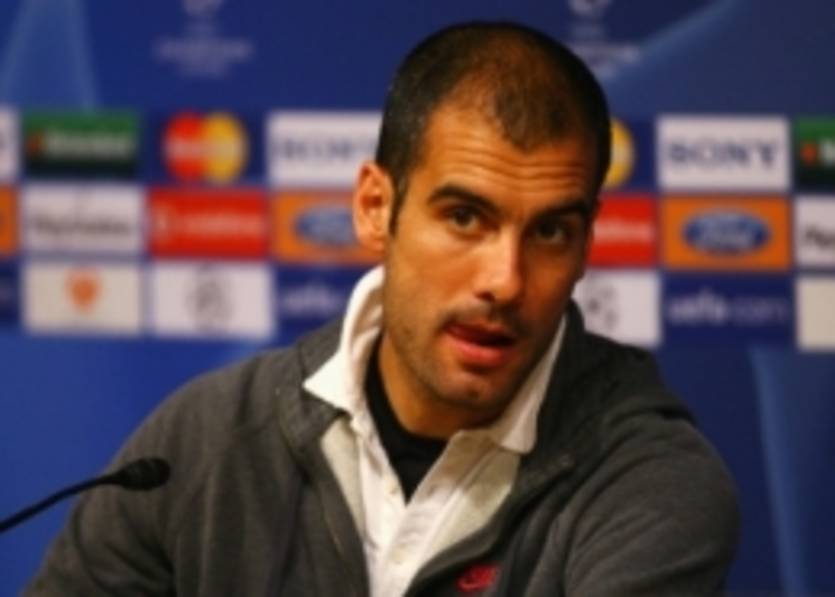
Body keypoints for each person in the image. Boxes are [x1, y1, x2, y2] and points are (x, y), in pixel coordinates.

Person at [27, 21, 738, 596]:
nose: (505, 280)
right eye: (465, 217)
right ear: (375, 207)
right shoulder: (203, 442)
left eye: (550, 231)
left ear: (586, 244)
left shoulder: (651, 482)